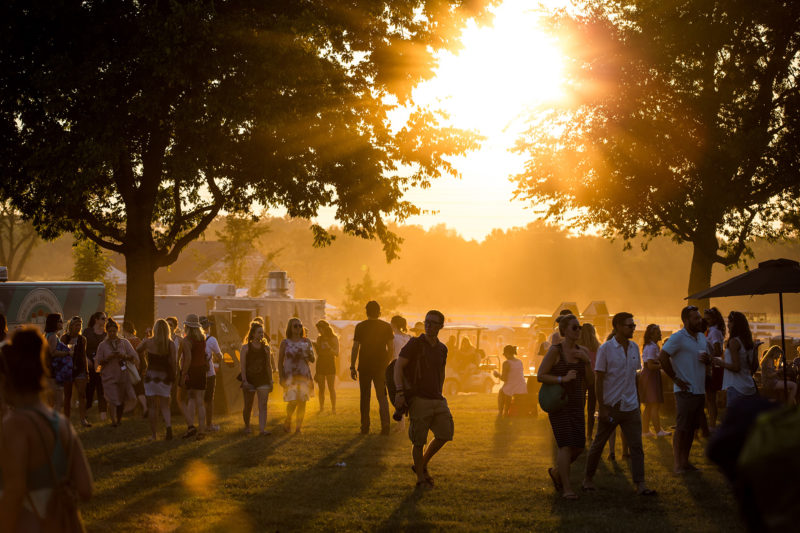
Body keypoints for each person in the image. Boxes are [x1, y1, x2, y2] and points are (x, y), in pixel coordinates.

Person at [0, 328, 93, 531]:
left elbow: (14, 491)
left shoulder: (15, 425)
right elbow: (85, 488)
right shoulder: (61, 423)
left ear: (8, 379)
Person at [583, 312, 655, 495]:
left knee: (636, 446)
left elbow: (635, 377)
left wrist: (638, 401)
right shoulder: (606, 349)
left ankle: (641, 484)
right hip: (612, 405)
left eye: (633, 325)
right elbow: (599, 379)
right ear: (617, 327)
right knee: (599, 443)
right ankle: (587, 479)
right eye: (629, 326)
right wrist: (603, 406)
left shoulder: (633, 347)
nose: (633, 329)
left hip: (630, 405)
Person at [393, 310, 453, 488]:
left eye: (433, 323)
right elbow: (398, 366)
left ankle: (422, 464)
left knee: (445, 433)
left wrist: (440, 391)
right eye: (427, 322)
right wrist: (399, 392)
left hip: (437, 398)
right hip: (419, 398)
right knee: (419, 441)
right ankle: (420, 477)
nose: (429, 325)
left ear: (441, 326)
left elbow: (441, 372)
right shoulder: (415, 344)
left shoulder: (442, 348)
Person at [538, 314, 593, 500]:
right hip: (559, 403)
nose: (579, 331)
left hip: (578, 403)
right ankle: (567, 488)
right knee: (565, 445)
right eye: (574, 327)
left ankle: (556, 472)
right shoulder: (556, 351)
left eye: (580, 327)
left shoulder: (582, 351)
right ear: (564, 331)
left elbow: (591, 382)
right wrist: (562, 378)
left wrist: (587, 361)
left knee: (579, 447)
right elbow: (540, 375)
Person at [659, 305, 709, 474]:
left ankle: (685, 462)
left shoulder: (701, 337)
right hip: (685, 390)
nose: (699, 320)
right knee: (682, 428)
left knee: (692, 429)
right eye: (696, 318)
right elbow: (663, 356)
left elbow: (708, 357)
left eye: (699, 317)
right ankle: (678, 464)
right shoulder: (678, 337)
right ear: (686, 321)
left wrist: (708, 359)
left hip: (699, 389)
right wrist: (674, 378)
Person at [350, 301, 393, 435]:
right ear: (379, 312)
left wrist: (352, 366)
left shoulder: (360, 327)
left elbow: (355, 347)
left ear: (366, 311)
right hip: (381, 367)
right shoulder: (386, 326)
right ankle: (385, 426)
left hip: (365, 366)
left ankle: (365, 427)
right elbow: (391, 348)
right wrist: (387, 363)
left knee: (365, 397)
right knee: (382, 397)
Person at [136, 319, 177, 440]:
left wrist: (145, 341)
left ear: (155, 329)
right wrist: (173, 377)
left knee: (152, 407)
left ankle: (154, 435)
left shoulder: (149, 342)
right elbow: (174, 363)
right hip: (165, 378)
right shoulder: (170, 344)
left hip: (151, 378)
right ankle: (168, 428)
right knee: (165, 406)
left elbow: (137, 350)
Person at [96, 318, 139, 427]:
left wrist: (123, 356)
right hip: (108, 375)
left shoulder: (124, 342)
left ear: (117, 330)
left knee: (122, 399)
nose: (112, 333)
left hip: (122, 374)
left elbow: (133, 356)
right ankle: (113, 420)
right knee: (112, 399)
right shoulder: (103, 345)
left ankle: (118, 419)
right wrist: (108, 358)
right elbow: (98, 360)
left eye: (114, 331)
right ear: (106, 331)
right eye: (109, 331)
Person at [712, 311, 757, 406]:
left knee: (735, 420)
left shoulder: (734, 342)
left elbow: (736, 367)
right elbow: (754, 367)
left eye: (729, 322)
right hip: (749, 387)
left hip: (736, 387)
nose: (727, 325)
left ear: (735, 324)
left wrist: (721, 363)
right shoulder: (748, 342)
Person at [279, 318, 315, 433]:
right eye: (295, 326)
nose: (298, 328)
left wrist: (308, 356)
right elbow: (280, 361)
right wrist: (281, 376)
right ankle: (288, 419)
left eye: (300, 326)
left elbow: (313, 359)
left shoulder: (306, 341)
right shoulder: (285, 343)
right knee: (292, 401)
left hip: (303, 375)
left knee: (302, 401)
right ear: (290, 327)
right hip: (290, 376)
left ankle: (298, 427)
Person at [240, 321, 273, 435]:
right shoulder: (245, 348)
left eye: (262, 332)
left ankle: (262, 429)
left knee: (263, 405)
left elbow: (269, 366)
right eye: (259, 332)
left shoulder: (266, 349)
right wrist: (244, 381)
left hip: (263, 379)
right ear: (253, 333)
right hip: (249, 379)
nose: (261, 335)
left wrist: (271, 381)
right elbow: (242, 366)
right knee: (248, 405)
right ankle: (247, 426)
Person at [180, 314, 207, 439]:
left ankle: (191, 427)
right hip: (202, 370)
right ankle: (201, 430)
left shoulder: (187, 340)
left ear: (187, 326)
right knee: (200, 402)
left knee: (190, 398)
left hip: (192, 371)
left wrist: (183, 373)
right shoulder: (202, 338)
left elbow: (188, 359)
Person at [640, 324, 669, 437]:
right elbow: (651, 366)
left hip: (649, 376)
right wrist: (664, 366)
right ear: (652, 334)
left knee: (649, 405)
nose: (660, 334)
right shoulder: (652, 347)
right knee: (654, 404)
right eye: (658, 332)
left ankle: (645, 431)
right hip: (650, 376)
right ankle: (658, 431)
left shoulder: (651, 345)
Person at [61, 316, 90, 427]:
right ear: (71, 326)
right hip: (68, 369)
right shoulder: (65, 338)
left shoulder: (82, 339)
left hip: (80, 368)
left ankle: (83, 419)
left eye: (79, 325)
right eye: (76, 325)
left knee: (82, 395)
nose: (78, 327)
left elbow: (84, 356)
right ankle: (66, 420)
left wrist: (87, 372)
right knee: (67, 396)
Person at [43, 313, 72, 412]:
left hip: (48, 371)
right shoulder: (52, 336)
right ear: (54, 323)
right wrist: (67, 353)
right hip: (53, 372)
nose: (62, 323)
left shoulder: (47, 335)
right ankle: (54, 423)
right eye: (60, 321)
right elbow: (53, 352)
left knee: (51, 401)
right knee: (58, 401)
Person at [577, 323, 600, 440]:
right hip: (594, 377)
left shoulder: (579, 346)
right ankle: (589, 434)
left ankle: (579, 432)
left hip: (581, 376)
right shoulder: (597, 346)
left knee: (580, 406)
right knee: (592, 406)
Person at [83, 311, 108, 421]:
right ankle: (86, 411)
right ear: (96, 320)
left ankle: (103, 413)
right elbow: (81, 348)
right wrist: (86, 359)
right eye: (103, 318)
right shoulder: (87, 332)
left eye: (105, 319)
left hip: (100, 365)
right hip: (89, 364)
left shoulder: (105, 333)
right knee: (89, 387)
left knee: (101, 386)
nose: (104, 321)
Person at [703, 307, 726, 429]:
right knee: (709, 398)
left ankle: (712, 425)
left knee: (711, 398)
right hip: (713, 365)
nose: (706, 321)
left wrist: (709, 357)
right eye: (705, 319)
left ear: (714, 319)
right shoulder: (711, 330)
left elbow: (718, 350)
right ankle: (711, 424)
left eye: (708, 319)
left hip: (713, 366)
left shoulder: (714, 332)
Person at [121, 321, 148, 418]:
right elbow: (142, 354)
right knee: (139, 388)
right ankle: (144, 407)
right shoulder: (137, 340)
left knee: (128, 388)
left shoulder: (124, 341)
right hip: (139, 366)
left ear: (124, 329)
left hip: (129, 366)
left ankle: (127, 409)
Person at [200, 316, 222, 432]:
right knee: (209, 400)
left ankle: (199, 425)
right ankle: (209, 425)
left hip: (196, 374)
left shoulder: (191, 339)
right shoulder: (212, 340)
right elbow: (220, 356)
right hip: (209, 373)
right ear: (207, 328)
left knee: (198, 400)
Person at [493, 345, 527, 417]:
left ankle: (501, 412)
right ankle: (505, 412)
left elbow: (504, 378)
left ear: (507, 353)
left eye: (504, 354)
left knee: (502, 392)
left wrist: (497, 374)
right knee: (507, 389)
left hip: (512, 386)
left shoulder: (506, 363)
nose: (504, 355)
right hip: (522, 387)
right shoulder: (519, 361)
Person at [314, 320, 339, 414]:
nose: (319, 331)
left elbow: (337, 353)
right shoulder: (319, 338)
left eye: (320, 329)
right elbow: (319, 353)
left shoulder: (334, 338)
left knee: (331, 388)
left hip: (330, 363)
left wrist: (329, 347)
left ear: (325, 328)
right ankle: (321, 408)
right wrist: (316, 347)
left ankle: (333, 408)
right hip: (320, 362)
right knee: (321, 388)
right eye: (318, 329)